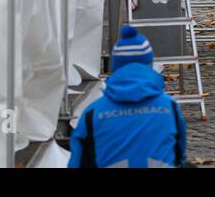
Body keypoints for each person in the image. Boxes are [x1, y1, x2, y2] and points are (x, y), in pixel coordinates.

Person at [69, 25, 187, 168]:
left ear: (116, 68)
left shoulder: (93, 112)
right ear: (149, 65)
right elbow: (179, 155)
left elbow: (78, 162)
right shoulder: (170, 107)